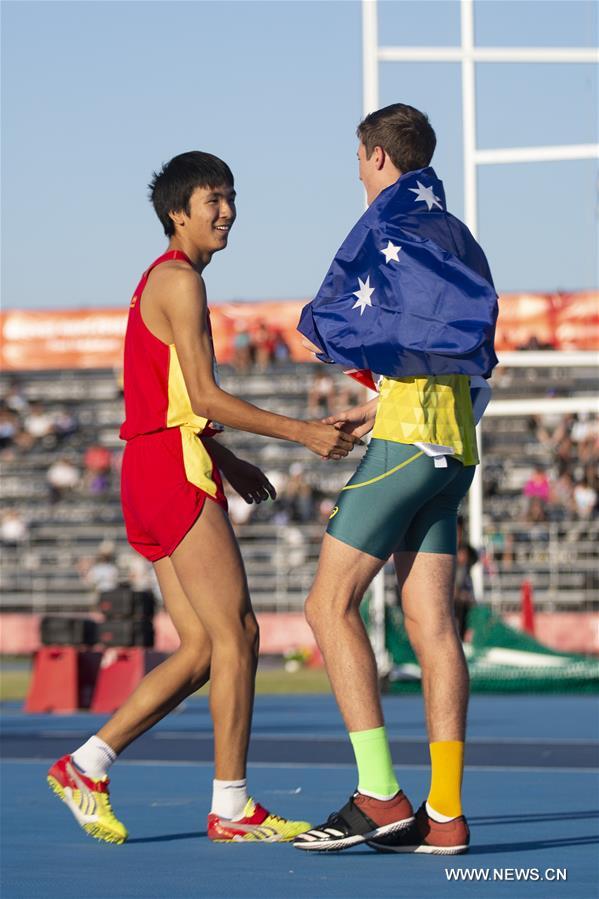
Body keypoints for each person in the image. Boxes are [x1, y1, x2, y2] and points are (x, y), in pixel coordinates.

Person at [47, 150, 358, 846]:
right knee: (238, 634)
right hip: (168, 467)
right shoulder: (180, 281)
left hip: (156, 463)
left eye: (230, 196)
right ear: (175, 213)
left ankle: (86, 763)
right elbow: (207, 394)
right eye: (210, 199)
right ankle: (231, 806)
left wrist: (229, 456)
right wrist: (302, 432)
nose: (225, 210)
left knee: (200, 648)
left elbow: (173, 401)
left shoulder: (158, 282)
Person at [293, 104, 496, 855]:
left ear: (378, 156)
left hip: (409, 445)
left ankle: (378, 794)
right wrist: (374, 409)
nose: (355, 169)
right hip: (450, 448)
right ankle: (444, 815)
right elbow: (449, 357)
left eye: (356, 156)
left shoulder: (393, 229)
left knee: (326, 603)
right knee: (433, 627)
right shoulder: (455, 236)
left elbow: (374, 323)